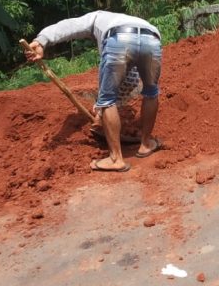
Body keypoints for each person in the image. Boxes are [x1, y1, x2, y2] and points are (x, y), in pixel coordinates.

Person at [24, 11, 163, 172]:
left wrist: (41, 41)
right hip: (152, 39)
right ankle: (146, 144)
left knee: (107, 99)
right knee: (151, 93)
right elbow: (130, 79)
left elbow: (68, 26)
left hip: (119, 38)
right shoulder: (129, 19)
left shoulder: (96, 17)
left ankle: (116, 159)